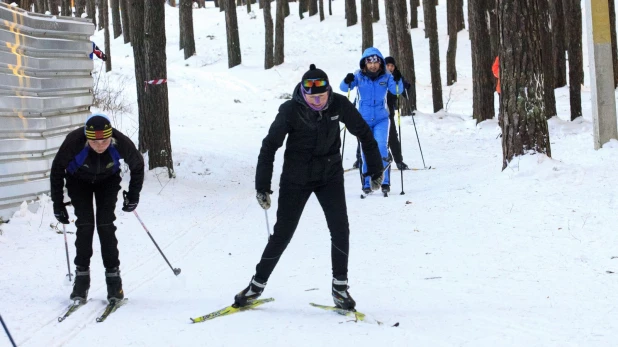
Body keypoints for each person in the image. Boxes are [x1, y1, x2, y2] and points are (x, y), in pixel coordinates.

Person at [234, 64, 384, 310]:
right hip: (296, 178)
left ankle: (340, 288)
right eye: (312, 96)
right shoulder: (290, 110)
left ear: (329, 92)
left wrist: (374, 170)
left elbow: (365, 134)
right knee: (283, 232)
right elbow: (269, 146)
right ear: (303, 94)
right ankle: (256, 285)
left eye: (322, 96)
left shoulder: (338, 105)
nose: (317, 101)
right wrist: (262, 186)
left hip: (330, 175)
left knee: (340, 228)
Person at [50, 113, 144, 303]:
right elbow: (57, 170)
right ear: (87, 138)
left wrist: (133, 195)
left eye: (105, 141)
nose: (101, 145)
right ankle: (81, 281)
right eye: (95, 142)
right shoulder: (74, 141)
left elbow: (137, 165)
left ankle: (114, 282)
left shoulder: (120, 142)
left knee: (105, 225)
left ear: (111, 137)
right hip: (78, 180)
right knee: (85, 225)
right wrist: (58, 204)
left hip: (108, 180)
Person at [341, 47, 403, 195]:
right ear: (365, 63)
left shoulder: (386, 76)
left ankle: (384, 181)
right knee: (366, 149)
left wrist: (398, 79)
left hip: (381, 118)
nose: (373, 65)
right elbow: (344, 88)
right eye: (370, 62)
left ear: (380, 63)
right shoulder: (359, 76)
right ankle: (367, 181)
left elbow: (397, 91)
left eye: (376, 62)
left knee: (381, 146)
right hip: (364, 119)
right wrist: (347, 80)